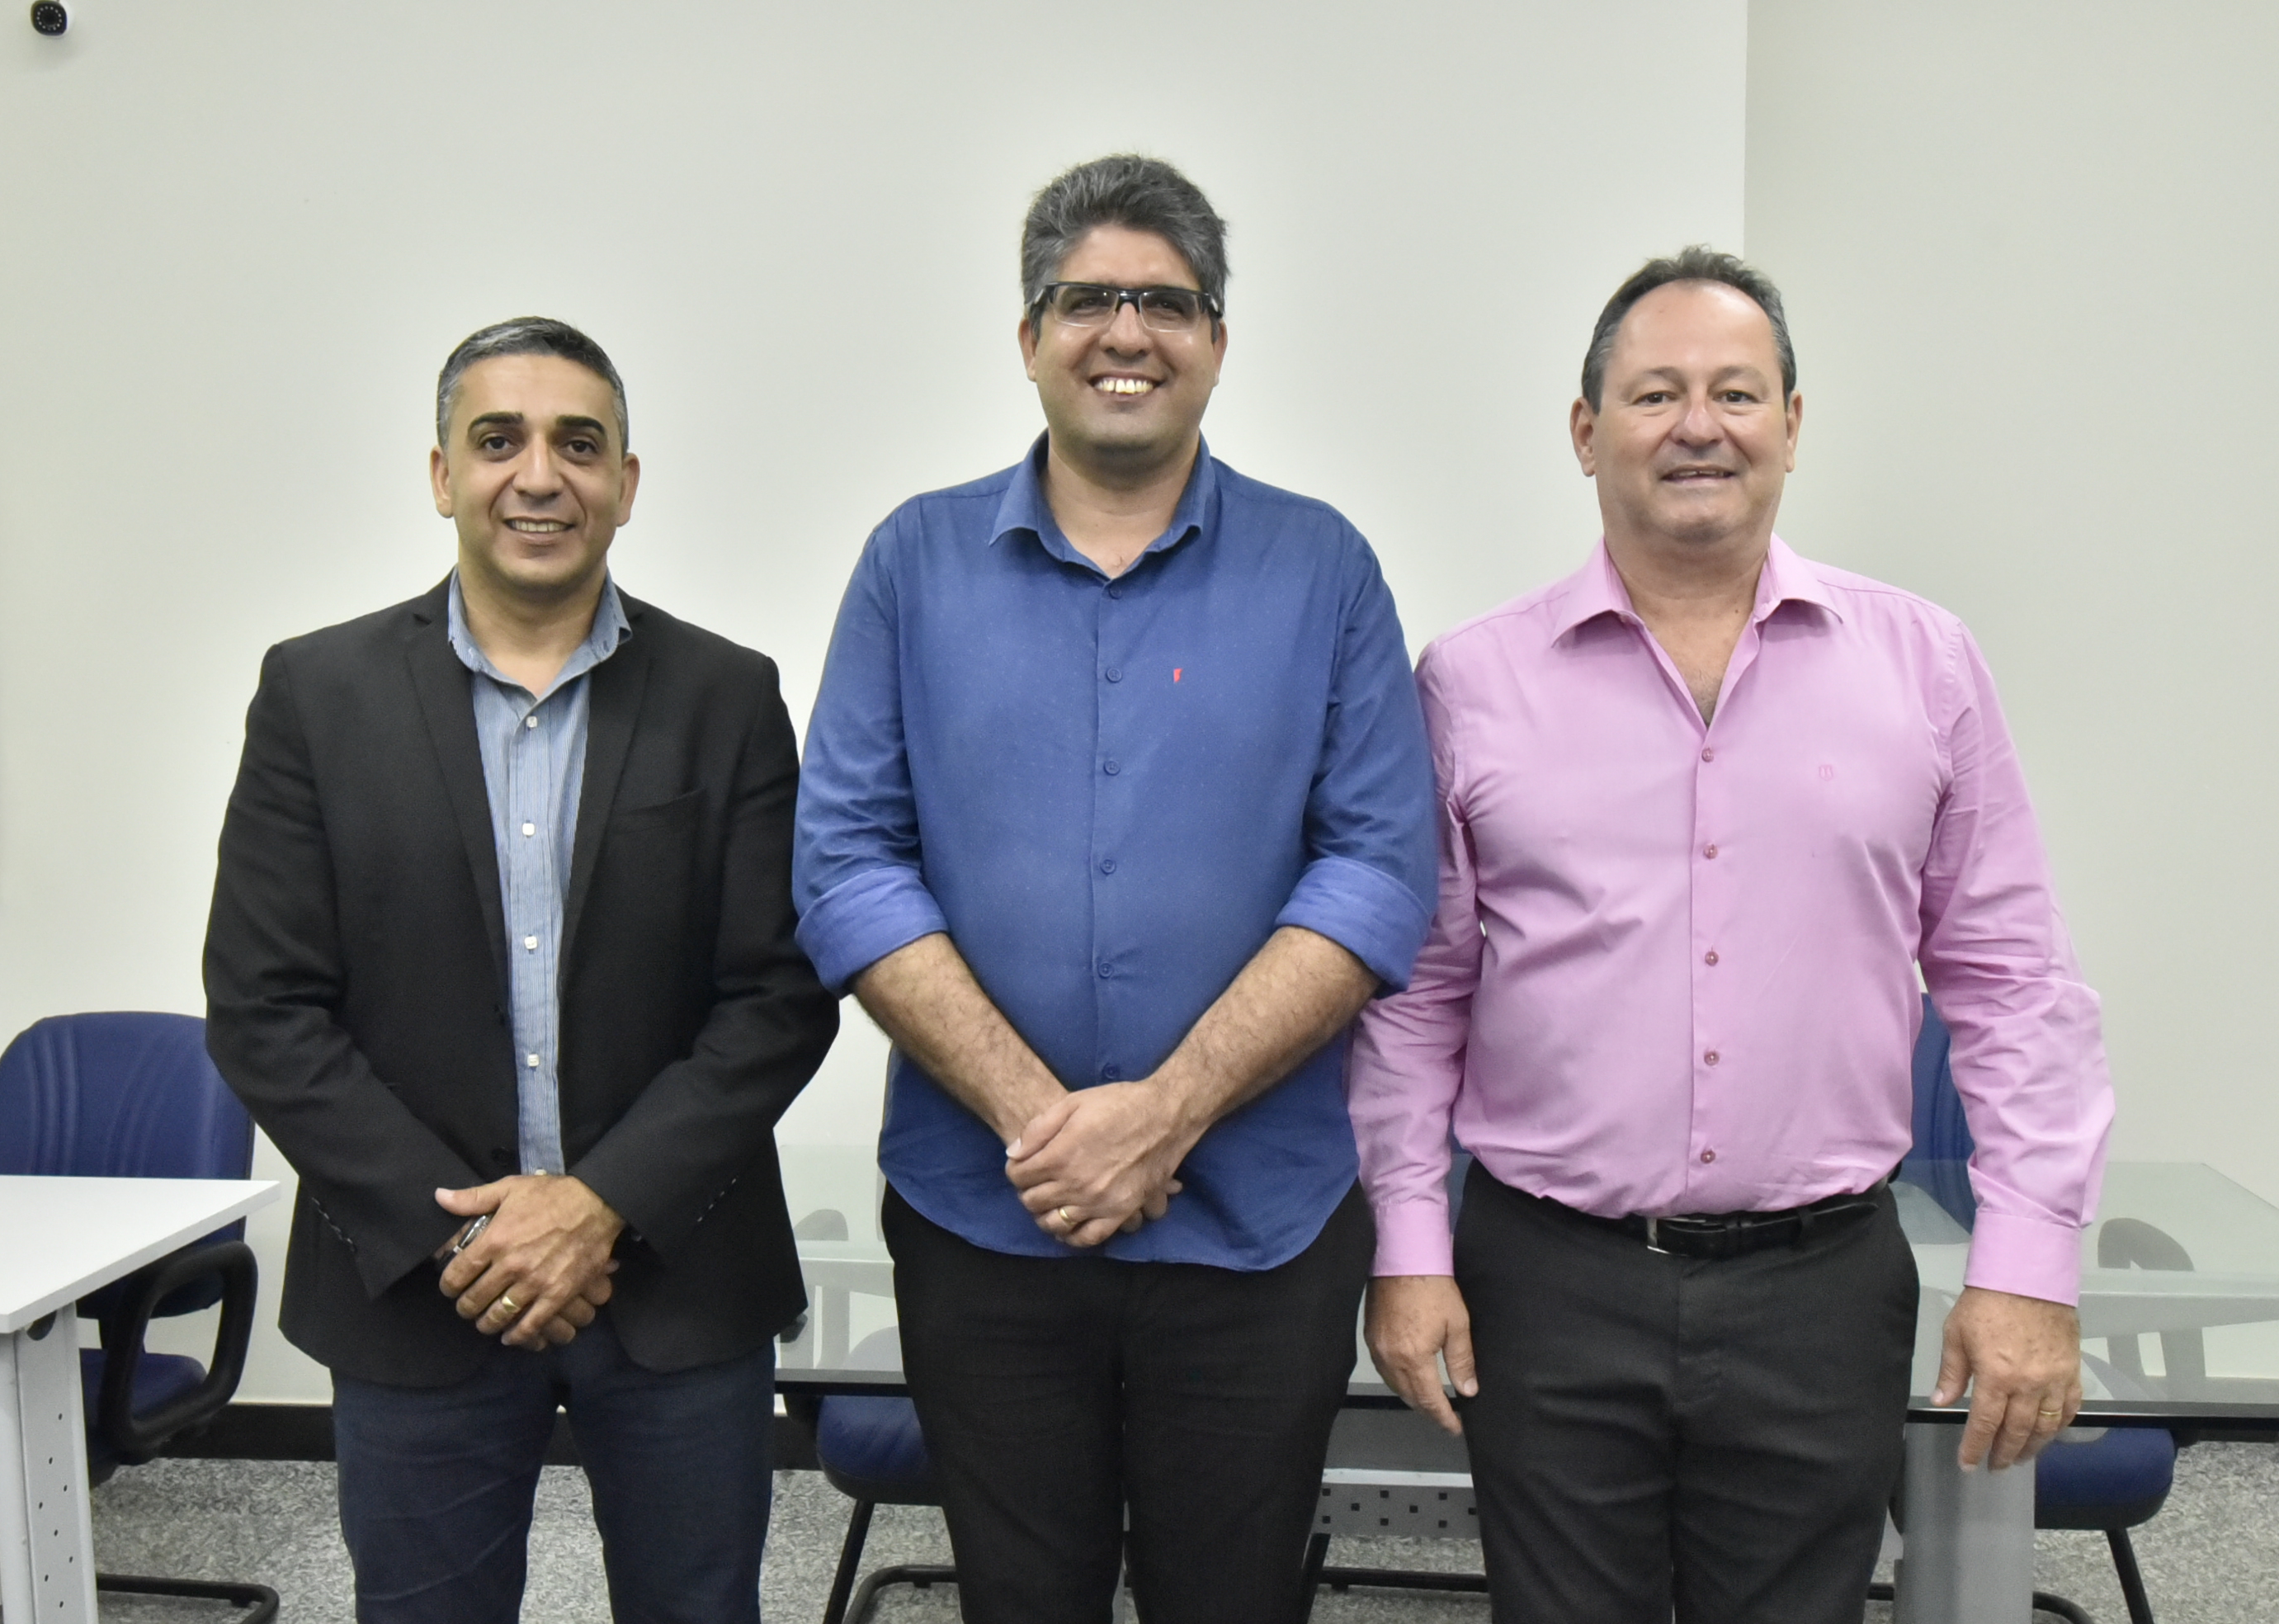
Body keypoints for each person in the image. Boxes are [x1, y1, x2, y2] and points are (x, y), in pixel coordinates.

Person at [1348, 247, 2114, 1623]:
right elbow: (1418, 999)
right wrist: (1408, 1245)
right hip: (1549, 1280)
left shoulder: (1925, 664)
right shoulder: (1471, 682)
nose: (1698, 425)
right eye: (1655, 394)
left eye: (1737, 393)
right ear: (1586, 432)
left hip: (1819, 1291)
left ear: (1793, 425)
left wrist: (2028, 1265)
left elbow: (2014, 984)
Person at [793, 154, 1437, 1623]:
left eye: (1166, 302)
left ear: (1218, 339)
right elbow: (846, 863)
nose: (1125, 332)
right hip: (985, 1216)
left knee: (1233, 1598)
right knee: (1023, 1598)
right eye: (1087, 300)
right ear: (1030, 337)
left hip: (1259, 1227)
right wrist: (1045, 1124)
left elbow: (1377, 871)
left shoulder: (1325, 569)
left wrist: (1165, 1114)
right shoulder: (912, 562)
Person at [203, 317, 838, 1624]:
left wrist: (598, 1206)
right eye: (498, 441)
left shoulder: (727, 695)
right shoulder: (316, 696)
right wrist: (476, 1236)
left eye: (578, 445)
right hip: (416, 1288)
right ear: (443, 474)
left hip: (678, 1280)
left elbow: (777, 997)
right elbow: (266, 1009)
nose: (538, 475)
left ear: (626, 483)